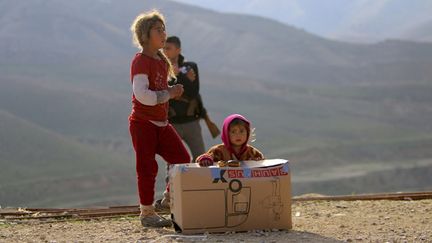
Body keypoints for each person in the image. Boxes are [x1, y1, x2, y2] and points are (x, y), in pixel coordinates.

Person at [129, 10, 191, 228]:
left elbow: (158, 91)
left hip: (161, 123)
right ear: (145, 35)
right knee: (146, 168)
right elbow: (142, 96)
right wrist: (169, 94)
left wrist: (170, 91)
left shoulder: (161, 62)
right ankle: (147, 213)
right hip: (143, 124)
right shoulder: (140, 61)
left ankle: (168, 199)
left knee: (182, 157)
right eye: (158, 29)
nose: (164, 33)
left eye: (164, 28)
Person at [163, 36, 220, 161]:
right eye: (163, 48)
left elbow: (193, 92)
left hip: (191, 122)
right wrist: (180, 77)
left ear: (178, 50)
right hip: (172, 123)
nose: (165, 51)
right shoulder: (161, 68)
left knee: (201, 159)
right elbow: (163, 91)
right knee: (173, 161)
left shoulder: (190, 67)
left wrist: (176, 76)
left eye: (168, 48)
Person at [196, 114, 264, 166]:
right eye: (233, 132)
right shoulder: (217, 151)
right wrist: (205, 160)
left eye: (242, 131)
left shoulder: (253, 153)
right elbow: (202, 159)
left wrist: (259, 162)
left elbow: (263, 164)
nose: (238, 135)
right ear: (226, 134)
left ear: (248, 132)